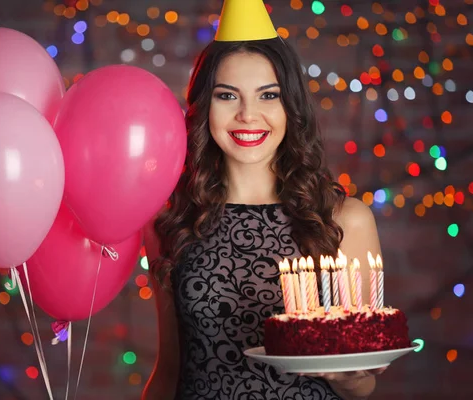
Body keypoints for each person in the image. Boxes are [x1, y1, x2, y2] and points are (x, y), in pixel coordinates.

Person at [142, 0, 385, 398]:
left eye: (268, 95)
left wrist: (351, 376)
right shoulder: (170, 224)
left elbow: (361, 386)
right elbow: (169, 368)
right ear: (205, 107)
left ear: (291, 106)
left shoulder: (345, 220)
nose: (248, 115)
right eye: (227, 96)